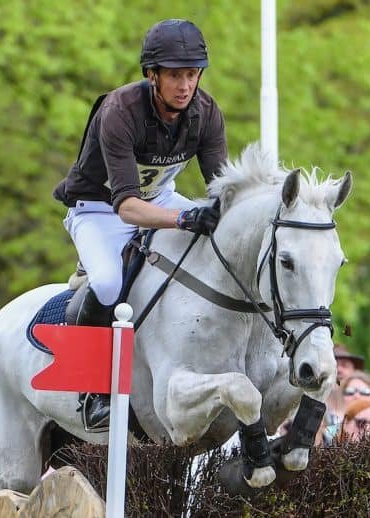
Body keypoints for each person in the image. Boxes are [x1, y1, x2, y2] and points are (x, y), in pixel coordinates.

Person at [52, 19, 228, 431]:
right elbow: (128, 208)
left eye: (191, 74)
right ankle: (92, 392)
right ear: (152, 75)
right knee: (110, 283)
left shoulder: (206, 112)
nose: (185, 85)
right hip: (98, 208)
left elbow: (220, 189)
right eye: (174, 75)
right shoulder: (119, 110)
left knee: (217, 240)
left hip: (160, 197)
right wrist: (184, 217)